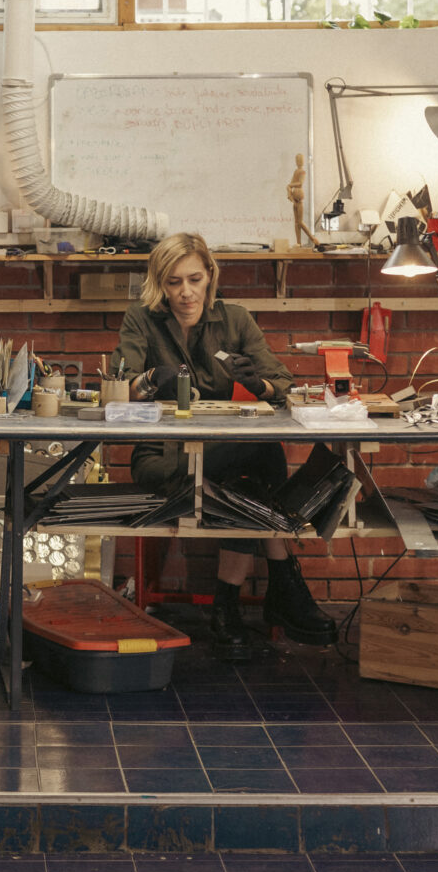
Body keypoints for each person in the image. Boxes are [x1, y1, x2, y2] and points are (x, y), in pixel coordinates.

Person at [112, 231, 337, 652]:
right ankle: (283, 585)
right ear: (159, 283)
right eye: (174, 282)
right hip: (163, 457)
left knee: (247, 479)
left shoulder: (235, 319)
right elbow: (114, 388)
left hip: (228, 457)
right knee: (262, 456)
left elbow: (284, 383)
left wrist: (262, 386)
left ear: (210, 276)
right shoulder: (140, 319)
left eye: (194, 280)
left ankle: (227, 608)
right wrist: (145, 382)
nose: (185, 293)